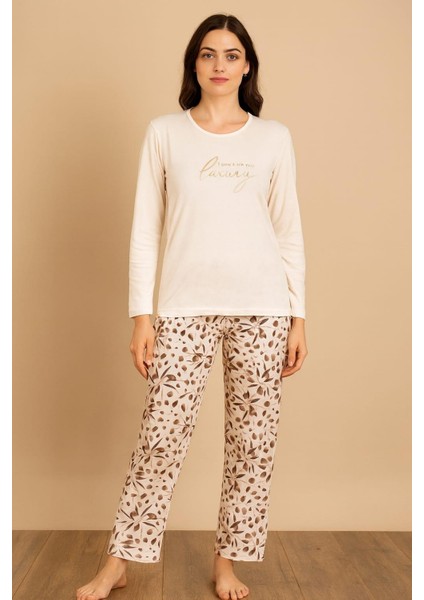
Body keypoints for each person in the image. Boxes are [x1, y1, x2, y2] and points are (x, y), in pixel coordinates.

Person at [76, 12, 308, 600]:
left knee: (252, 445)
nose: (219, 65)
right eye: (208, 54)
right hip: (183, 308)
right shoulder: (165, 133)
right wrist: (142, 315)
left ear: (247, 66)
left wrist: (298, 316)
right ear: (194, 65)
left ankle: (227, 565)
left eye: (231, 55)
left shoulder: (273, 138)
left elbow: (288, 232)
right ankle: (119, 562)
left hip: (263, 309)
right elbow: (144, 230)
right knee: (161, 436)